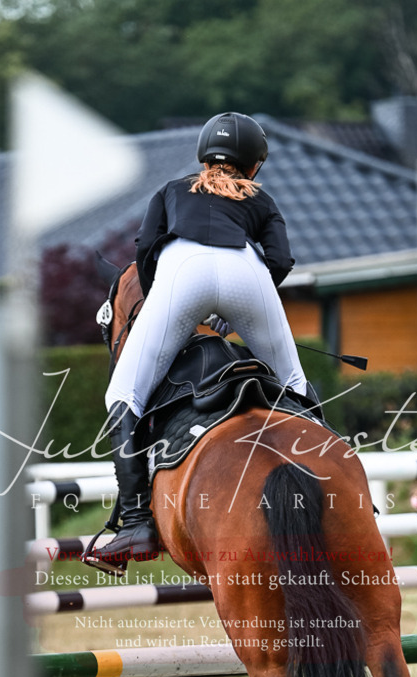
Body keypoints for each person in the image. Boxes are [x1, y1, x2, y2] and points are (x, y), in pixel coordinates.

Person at [95, 111, 309, 570]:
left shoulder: (173, 190)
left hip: (180, 273)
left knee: (123, 394)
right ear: (254, 164)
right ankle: (337, 487)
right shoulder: (262, 198)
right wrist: (234, 314)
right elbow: (282, 260)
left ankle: (134, 523)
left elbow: (145, 251)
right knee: (293, 382)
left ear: (202, 156)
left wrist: (169, 308)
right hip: (247, 274)